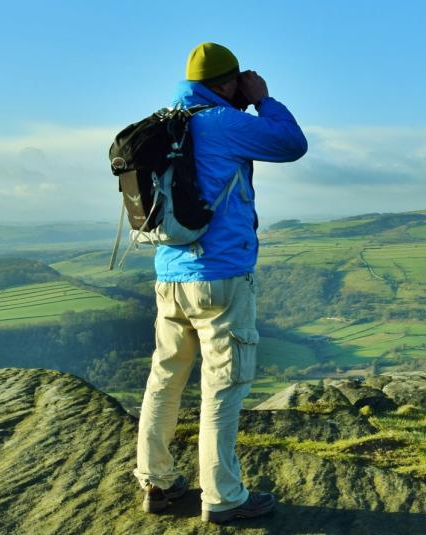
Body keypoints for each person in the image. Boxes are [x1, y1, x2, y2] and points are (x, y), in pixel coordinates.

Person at [131, 42, 308, 523]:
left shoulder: (169, 122)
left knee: (164, 379)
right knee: (223, 388)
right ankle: (224, 497)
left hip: (169, 275)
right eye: (238, 80)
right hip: (221, 278)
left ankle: (157, 482)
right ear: (228, 83)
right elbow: (291, 144)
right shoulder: (221, 122)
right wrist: (264, 99)